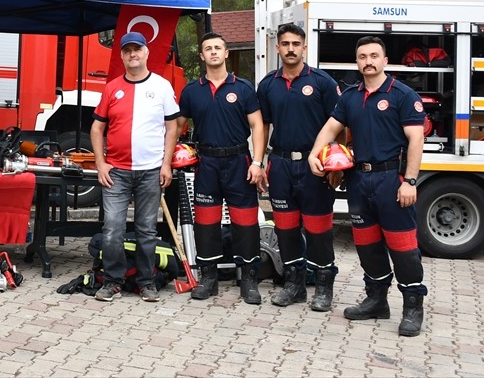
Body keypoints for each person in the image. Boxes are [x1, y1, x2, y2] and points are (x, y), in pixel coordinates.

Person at [308, 36, 427, 336]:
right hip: (359, 180)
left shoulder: (402, 94)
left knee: (403, 248)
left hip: (392, 180)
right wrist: (314, 154)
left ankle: (413, 307)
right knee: (367, 245)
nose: (368, 61)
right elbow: (331, 128)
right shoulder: (349, 96)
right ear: (357, 62)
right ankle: (377, 301)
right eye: (362, 56)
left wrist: (410, 181)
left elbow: (416, 139)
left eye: (374, 55)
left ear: (385, 60)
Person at [176, 32, 267, 304]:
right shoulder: (192, 91)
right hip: (206, 164)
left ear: (226, 53)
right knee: (206, 223)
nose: (213, 52)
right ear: (202, 56)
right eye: (208, 49)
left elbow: (258, 126)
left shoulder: (244, 88)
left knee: (246, 223)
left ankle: (249, 279)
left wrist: (258, 162)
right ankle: (208, 278)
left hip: (239, 162)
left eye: (218, 48)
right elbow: (178, 127)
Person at [89, 31, 180, 303]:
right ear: (121, 55)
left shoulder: (162, 86)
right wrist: (100, 163)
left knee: (147, 230)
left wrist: (166, 164)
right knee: (113, 229)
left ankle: (146, 282)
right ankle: (113, 281)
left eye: (137, 49)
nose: (133, 54)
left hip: (151, 171)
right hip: (116, 171)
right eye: (127, 50)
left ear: (147, 52)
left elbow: (172, 126)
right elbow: (97, 127)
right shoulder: (112, 87)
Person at [256, 24, 341, 310]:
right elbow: (262, 126)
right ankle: (294, 285)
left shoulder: (322, 82)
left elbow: (340, 126)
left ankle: (324, 286)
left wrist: (335, 165)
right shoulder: (268, 84)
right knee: (286, 229)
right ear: (277, 48)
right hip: (280, 164)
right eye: (285, 44)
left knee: (319, 231)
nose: (290, 48)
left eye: (295, 43)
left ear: (304, 47)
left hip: (314, 166)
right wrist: (262, 161)